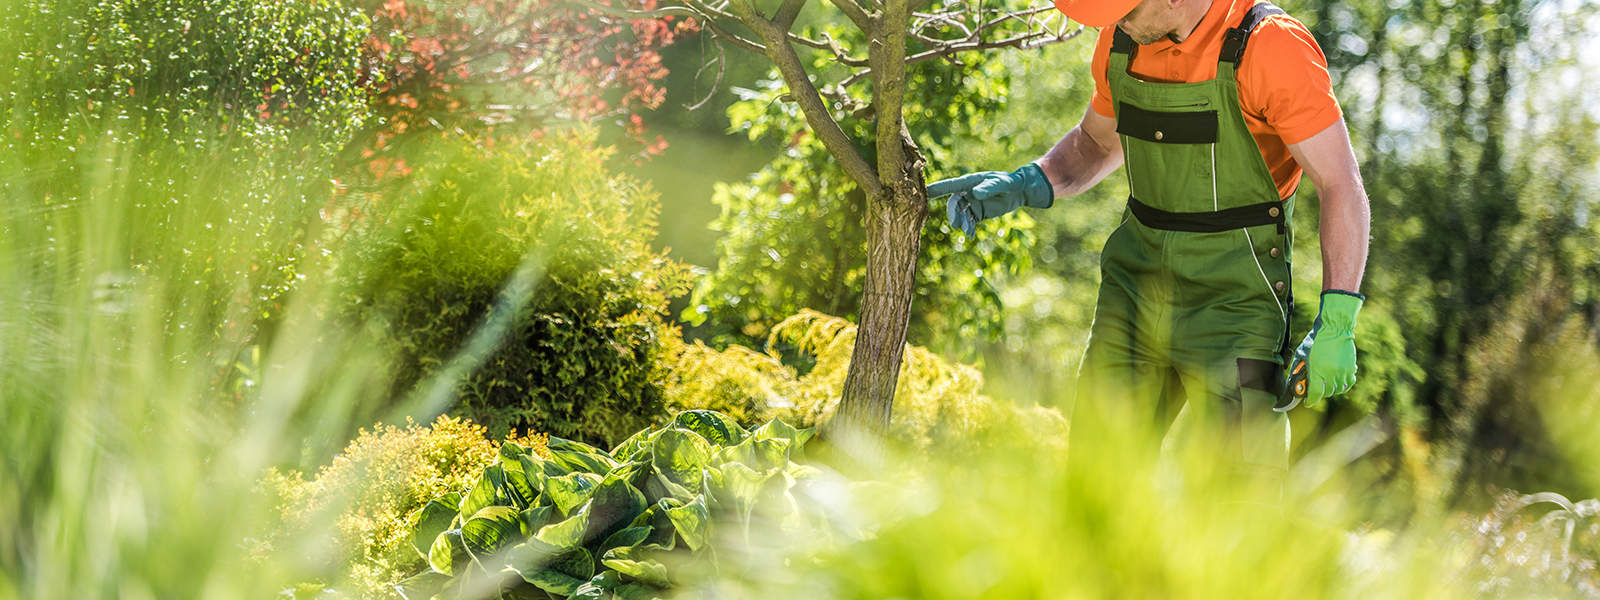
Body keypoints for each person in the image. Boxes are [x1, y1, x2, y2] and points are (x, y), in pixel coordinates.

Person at [927, 0, 1370, 491]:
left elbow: (1339, 184)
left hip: (1236, 306)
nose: (1113, 23)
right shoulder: (1122, 41)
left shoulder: (1268, 47)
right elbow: (1095, 144)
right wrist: (1029, 181)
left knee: (1240, 499)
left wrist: (1338, 318)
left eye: (1123, 10)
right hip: (1132, 293)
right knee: (1097, 488)